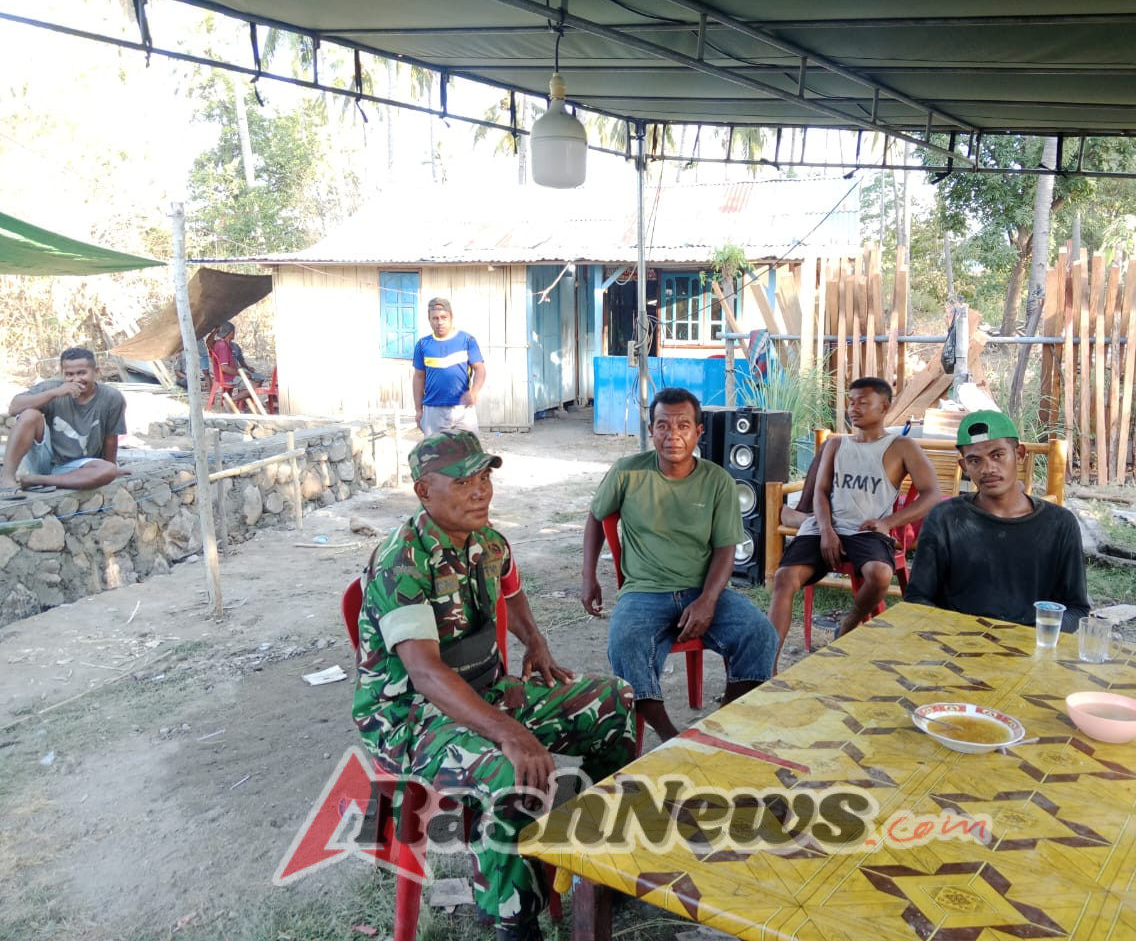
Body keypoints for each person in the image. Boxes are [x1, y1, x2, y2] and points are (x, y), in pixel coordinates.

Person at [353, 430, 634, 941]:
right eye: (463, 482)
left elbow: (513, 590)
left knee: (614, 702)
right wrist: (511, 733)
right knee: (509, 771)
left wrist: (536, 642)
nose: (481, 491)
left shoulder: (488, 542)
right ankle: (513, 919)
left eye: (484, 477)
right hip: (411, 719)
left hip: (485, 693)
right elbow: (426, 674)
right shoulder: (402, 561)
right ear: (423, 491)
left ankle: (595, 864)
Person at [580, 387, 777, 743]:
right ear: (651, 429)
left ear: (698, 432)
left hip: (702, 589)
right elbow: (596, 517)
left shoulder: (717, 481)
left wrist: (708, 601)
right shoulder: (627, 472)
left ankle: (721, 726)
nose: (673, 435)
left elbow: (725, 549)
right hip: (644, 592)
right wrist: (588, 577)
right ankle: (672, 738)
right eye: (663, 425)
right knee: (625, 643)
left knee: (760, 633)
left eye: (683, 426)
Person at [767, 377, 941, 662]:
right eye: (851, 402)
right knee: (784, 578)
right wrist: (826, 530)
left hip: (866, 530)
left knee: (880, 574)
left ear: (884, 407)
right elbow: (821, 492)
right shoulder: (837, 445)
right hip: (824, 528)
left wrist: (889, 523)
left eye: (863, 402)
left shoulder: (901, 446)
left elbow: (932, 494)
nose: (853, 408)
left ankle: (848, 625)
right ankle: (767, 663)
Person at [904, 409, 1090, 630]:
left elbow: (1076, 609)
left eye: (997, 455)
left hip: (1028, 643)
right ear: (964, 467)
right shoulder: (944, 518)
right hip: (956, 641)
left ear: (1019, 454)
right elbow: (917, 598)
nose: (988, 469)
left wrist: (1035, 636)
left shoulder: (1059, 524)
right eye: (975, 460)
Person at [1, 346, 129, 498]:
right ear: (63, 374)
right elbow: (14, 407)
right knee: (29, 414)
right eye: (69, 374)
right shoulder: (52, 387)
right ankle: (7, 480)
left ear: (96, 372)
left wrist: (112, 468)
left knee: (108, 470)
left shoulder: (112, 397)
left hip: (79, 467)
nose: (76, 379)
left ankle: (38, 480)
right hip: (45, 459)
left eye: (82, 373)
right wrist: (54, 393)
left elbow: (110, 438)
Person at [413, 298, 486, 436]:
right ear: (429, 319)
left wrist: (474, 392)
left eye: (443, 317)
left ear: (451, 317)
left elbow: (480, 369)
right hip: (433, 409)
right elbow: (418, 377)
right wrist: (418, 410)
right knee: (436, 449)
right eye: (435, 318)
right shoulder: (423, 344)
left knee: (468, 448)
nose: (439, 322)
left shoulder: (467, 340)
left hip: (463, 409)